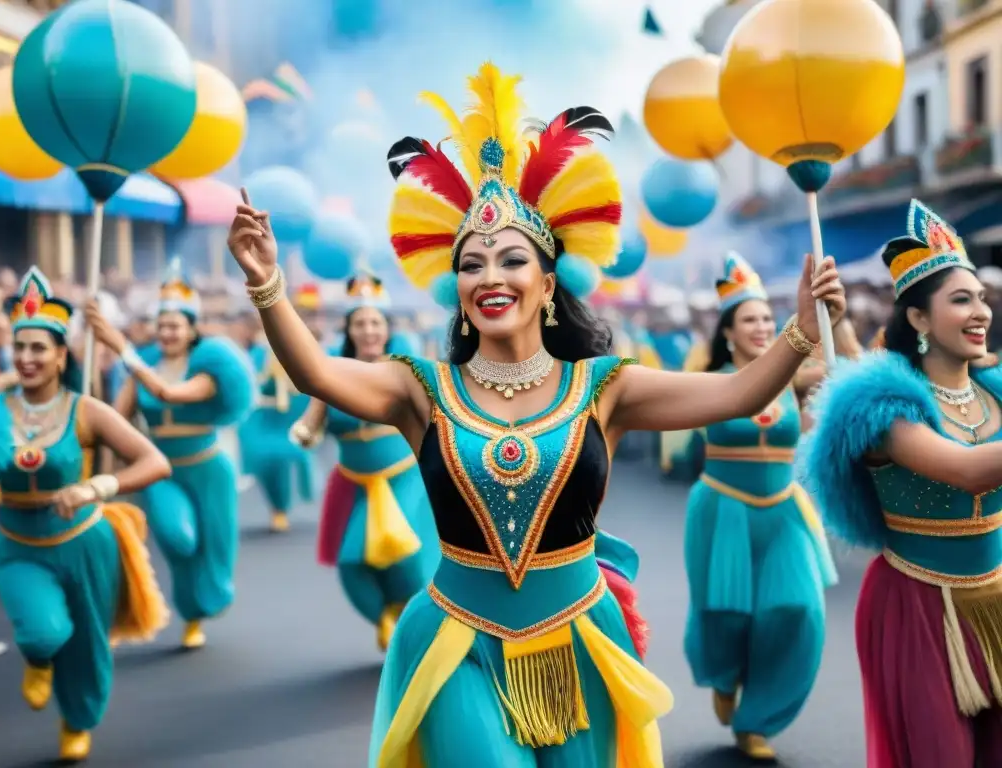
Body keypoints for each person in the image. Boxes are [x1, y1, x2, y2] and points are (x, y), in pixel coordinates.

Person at [226, 63, 846, 767]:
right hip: (456, 638)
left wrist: (799, 333)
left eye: (511, 260)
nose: (490, 276)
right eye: (471, 264)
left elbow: (735, 396)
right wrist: (267, 283)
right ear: (455, 288)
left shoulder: (602, 386)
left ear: (547, 282)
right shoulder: (419, 389)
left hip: (578, 634)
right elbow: (314, 371)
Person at [801, 199, 1002, 767]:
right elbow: (963, 470)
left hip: (995, 600)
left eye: (981, 298)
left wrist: (840, 324)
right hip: (916, 607)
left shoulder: (995, 392)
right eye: (961, 300)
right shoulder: (886, 410)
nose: (980, 311)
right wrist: (834, 325)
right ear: (918, 318)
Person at [0, 267, 170, 762]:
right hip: (19, 545)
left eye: (39, 348)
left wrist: (95, 485)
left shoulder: (86, 410)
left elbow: (155, 462)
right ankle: (38, 656)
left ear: (62, 355)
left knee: (87, 646)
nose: (26, 358)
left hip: (84, 543)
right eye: (20, 348)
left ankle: (76, 721)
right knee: (43, 632)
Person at [683, 252, 841, 760]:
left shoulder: (796, 377)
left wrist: (834, 327)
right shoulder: (707, 381)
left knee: (796, 610)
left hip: (784, 512)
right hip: (722, 510)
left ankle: (759, 719)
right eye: (750, 319)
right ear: (727, 331)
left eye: (769, 319)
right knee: (727, 617)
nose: (761, 327)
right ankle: (725, 676)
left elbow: (844, 377)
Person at [83, 258, 255, 650]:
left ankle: (199, 616)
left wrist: (123, 348)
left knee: (212, 549)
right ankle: (188, 609)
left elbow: (169, 393)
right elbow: (115, 421)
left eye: (175, 325)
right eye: (161, 326)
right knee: (178, 540)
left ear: (191, 329)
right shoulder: (140, 368)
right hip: (162, 471)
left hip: (209, 471)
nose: (168, 332)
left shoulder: (209, 364)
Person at [291, 272, 440, 650]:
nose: (369, 329)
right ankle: (385, 615)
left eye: (375, 322)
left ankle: (411, 621)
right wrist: (304, 433)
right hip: (355, 482)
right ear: (349, 329)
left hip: (404, 476)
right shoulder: (331, 372)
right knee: (352, 563)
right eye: (360, 323)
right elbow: (312, 421)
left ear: (386, 328)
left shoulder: (406, 369)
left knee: (404, 551)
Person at [239, 314, 316, 533]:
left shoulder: (302, 349)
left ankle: (282, 505)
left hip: (290, 419)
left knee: (287, 459)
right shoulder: (257, 355)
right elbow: (249, 385)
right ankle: (277, 506)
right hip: (266, 419)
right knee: (266, 464)